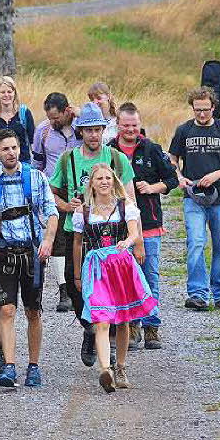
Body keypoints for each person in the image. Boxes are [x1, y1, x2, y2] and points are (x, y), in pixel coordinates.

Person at [49, 102, 135, 368]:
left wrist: (137, 239)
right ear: (80, 132)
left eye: (97, 129)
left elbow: (130, 197)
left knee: (112, 291)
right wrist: (66, 206)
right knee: (76, 288)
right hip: (76, 235)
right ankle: (89, 327)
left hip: (111, 237)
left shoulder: (116, 158)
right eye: (88, 130)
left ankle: (104, 337)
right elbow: (51, 193)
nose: (93, 135)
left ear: (103, 130)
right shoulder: (68, 159)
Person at [0, 128, 58, 389]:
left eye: (14, 148)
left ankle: (33, 366)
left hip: (31, 254)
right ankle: (10, 366)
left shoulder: (36, 178)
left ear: (20, 149)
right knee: (6, 310)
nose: (10, 153)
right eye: (5, 149)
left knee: (33, 311)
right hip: (3, 254)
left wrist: (48, 241)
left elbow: (51, 212)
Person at [72, 164, 156, 393]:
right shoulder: (83, 211)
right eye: (99, 178)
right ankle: (105, 369)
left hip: (121, 265)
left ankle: (120, 367)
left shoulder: (125, 205)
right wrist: (77, 275)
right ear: (91, 183)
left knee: (123, 318)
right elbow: (77, 242)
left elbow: (133, 232)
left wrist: (128, 243)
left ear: (113, 180)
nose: (104, 182)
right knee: (101, 318)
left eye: (107, 178)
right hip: (97, 267)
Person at [168, 87, 220, 311]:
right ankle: (197, 294)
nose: (201, 114)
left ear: (214, 107)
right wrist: (179, 177)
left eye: (205, 109)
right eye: (197, 110)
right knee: (195, 243)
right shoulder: (184, 130)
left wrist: (217, 174)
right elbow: (172, 158)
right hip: (193, 197)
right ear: (192, 108)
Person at [111, 102, 178, 349]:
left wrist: (153, 188)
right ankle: (131, 326)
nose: (130, 130)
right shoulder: (109, 152)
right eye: (126, 125)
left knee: (149, 276)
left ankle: (151, 326)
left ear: (140, 125)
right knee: (125, 278)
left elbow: (172, 179)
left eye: (134, 125)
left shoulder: (152, 149)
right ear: (118, 125)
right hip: (119, 227)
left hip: (149, 224)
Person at [32, 92, 80, 312]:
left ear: (67, 110)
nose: (53, 122)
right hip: (53, 187)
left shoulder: (82, 127)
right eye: (49, 117)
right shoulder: (43, 131)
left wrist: (80, 116)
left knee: (78, 238)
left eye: (56, 118)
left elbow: (107, 133)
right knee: (58, 239)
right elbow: (38, 162)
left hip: (80, 184)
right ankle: (63, 290)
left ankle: (79, 284)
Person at [0, 76, 35, 163]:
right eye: (3, 92)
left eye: (9, 92)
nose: (6, 95)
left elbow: (32, 141)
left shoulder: (24, 113)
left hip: (22, 163)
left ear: (14, 93)